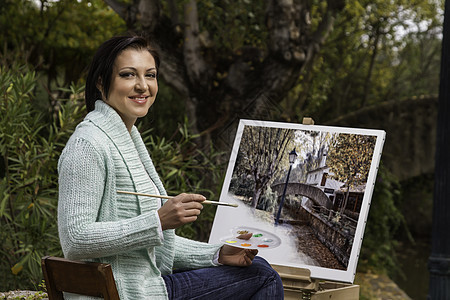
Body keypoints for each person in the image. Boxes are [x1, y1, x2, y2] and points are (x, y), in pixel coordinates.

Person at [57, 35, 284, 300]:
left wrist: (216, 254)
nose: (143, 86)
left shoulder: (126, 137)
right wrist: (158, 220)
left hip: (144, 286)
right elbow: (75, 239)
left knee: (259, 267)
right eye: (128, 75)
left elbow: (147, 248)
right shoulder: (88, 144)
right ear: (100, 81)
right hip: (129, 293)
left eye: (150, 75)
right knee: (263, 277)